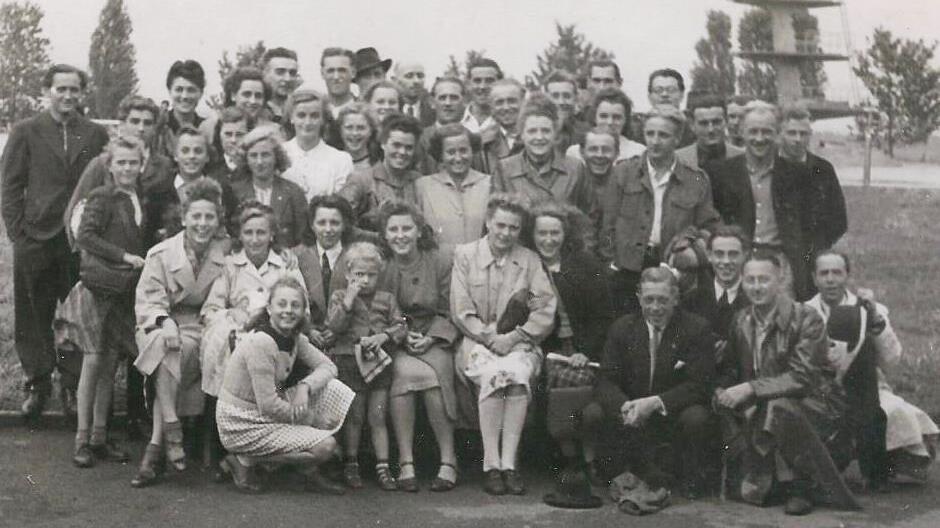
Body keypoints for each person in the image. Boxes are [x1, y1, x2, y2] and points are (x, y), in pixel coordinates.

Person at [1, 64, 110, 420]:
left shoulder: (93, 133)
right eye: (61, 89)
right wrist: (19, 234)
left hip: (77, 241)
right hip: (35, 238)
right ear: (48, 90)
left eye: (74, 90)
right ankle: (37, 383)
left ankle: (70, 382)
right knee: (33, 314)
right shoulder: (26, 131)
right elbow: (10, 186)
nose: (67, 96)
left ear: (82, 93)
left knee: (76, 314)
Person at [715, 253, 859, 516]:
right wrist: (722, 390)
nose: (757, 287)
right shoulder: (741, 320)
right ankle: (766, 475)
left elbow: (802, 377)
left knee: (778, 406)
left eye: (764, 279)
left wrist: (751, 388)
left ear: (779, 280)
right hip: (765, 402)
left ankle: (800, 485)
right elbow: (731, 368)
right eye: (750, 280)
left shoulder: (807, 318)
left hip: (816, 403)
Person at [451, 193, 557, 496]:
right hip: (477, 342)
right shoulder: (466, 255)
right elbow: (461, 309)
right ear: (487, 222)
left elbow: (543, 306)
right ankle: (491, 464)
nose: (505, 233)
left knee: (517, 376)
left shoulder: (529, 260)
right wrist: (489, 337)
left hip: (519, 342)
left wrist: (515, 337)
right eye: (500, 225)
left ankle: (509, 465)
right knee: (492, 376)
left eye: (513, 227)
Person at [806, 250, 938, 486]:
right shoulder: (804, 311)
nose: (830, 279)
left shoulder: (869, 309)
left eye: (837, 272)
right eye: (824, 273)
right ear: (814, 278)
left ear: (847, 276)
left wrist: (875, 319)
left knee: (890, 413)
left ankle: (879, 467)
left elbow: (892, 359)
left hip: (866, 389)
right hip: (822, 389)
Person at [131, 178, 231, 488]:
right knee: (166, 345)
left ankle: (158, 443)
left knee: (176, 351)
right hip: (159, 324)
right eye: (196, 216)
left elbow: (218, 302)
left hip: (201, 326)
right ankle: (171, 428)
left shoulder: (224, 255)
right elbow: (148, 300)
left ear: (218, 221)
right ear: (184, 217)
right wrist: (166, 321)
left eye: (209, 217)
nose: (202, 224)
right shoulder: (161, 253)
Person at [55, 136, 148, 468]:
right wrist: (124, 255)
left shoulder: (138, 197)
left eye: (132, 162)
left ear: (142, 165)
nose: (127, 168)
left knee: (109, 364)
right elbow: (85, 236)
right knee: (93, 362)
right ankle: (82, 438)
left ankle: (99, 436)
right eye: (120, 162)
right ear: (109, 166)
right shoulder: (102, 197)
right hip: (99, 288)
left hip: (122, 291)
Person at [199, 201, 306, 481]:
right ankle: (227, 447)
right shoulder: (231, 267)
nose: (255, 239)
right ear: (241, 235)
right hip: (238, 337)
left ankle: (267, 452)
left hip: (277, 336)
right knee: (226, 344)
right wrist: (232, 313)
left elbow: (302, 306)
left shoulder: (285, 265)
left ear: (272, 235)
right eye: (249, 233)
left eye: (262, 232)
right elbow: (210, 310)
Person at [216, 276, 353, 495]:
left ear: (302, 311)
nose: (288, 311)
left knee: (333, 387)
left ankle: (302, 466)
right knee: (326, 447)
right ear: (269, 308)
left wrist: (304, 387)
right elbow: (269, 405)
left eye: (295, 305)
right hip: (242, 420)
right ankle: (243, 459)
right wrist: (312, 420)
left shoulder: (295, 338)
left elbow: (328, 367)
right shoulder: (261, 342)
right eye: (281, 304)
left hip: (264, 411)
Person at [592, 266, 715, 497]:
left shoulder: (696, 328)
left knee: (697, 417)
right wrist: (625, 406)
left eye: (662, 300)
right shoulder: (622, 328)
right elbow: (606, 379)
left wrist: (655, 403)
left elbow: (700, 385)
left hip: (670, 412)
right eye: (649, 300)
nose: (655, 308)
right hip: (631, 411)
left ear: (676, 298)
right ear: (638, 298)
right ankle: (611, 473)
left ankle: (690, 478)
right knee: (594, 412)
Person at [600, 105, 720, 315]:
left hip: (673, 267)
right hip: (628, 268)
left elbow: (708, 227)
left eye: (663, 135)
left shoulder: (696, 179)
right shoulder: (623, 172)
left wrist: (688, 254)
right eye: (650, 133)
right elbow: (608, 225)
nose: (655, 141)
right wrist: (612, 263)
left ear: (677, 138)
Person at [527, 202, 613, 485]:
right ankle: (568, 455)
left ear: (565, 234)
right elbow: (526, 306)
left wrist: (583, 352)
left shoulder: (585, 265)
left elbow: (601, 315)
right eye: (542, 233)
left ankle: (586, 458)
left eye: (555, 233)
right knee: (553, 379)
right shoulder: (527, 265)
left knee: (579, 381)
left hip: (583, 346)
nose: (548, 240)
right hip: (545, 343)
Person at [378, 202, 461, 492]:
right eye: (393, 229)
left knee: (434, 377)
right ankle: (406, 461)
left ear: (418, 231)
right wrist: (401, 334)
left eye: (406, 228)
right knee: (404, 376)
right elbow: (379, 310)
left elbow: (451, 307)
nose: (400, 235)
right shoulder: (382, 264)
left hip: (435, 335)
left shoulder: (439, 260)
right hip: (397, 339)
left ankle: (449, 459)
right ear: (385, 234)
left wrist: (431, 337)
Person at [706, 103, 815, 300]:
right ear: (741, 132)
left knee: (782, 320)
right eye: (753, 131)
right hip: (736, 261)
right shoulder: (720, 173)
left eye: (767, 132)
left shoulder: (799, 175)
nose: (759, 138)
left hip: (780, 262)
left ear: (778, 134)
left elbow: (809, 228)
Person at [325, 241, 407, 491]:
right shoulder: (340, 296)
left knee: (377, 415)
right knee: (355, 416)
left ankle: (383, 466)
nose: (365, 280)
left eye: (371, 275)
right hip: (350, 361)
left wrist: (385, 336)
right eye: (359, 275)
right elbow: (334, 326)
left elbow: (402, 324)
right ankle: (351, 463)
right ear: (348, 274)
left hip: (378, 363)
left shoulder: (387, 298)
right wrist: (349, 299)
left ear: (379, 275)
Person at [493, 97, 596, 220]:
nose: (539, 137)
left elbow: (588, 217)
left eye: (546, 131)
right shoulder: (505, 168)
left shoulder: (575, 168)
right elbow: (496, 217)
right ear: (522, 135)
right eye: (532, 131)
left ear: (555, 134)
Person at [778, 104, 847, 260]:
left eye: (803, 134)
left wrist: (818, 247)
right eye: (792, 133)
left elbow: (839, 219)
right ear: (781, 133)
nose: (797, 139)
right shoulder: (772, 166)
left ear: (810, 135)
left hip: (811, 254)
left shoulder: (823, 169)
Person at [416, 124, 491, 256]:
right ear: (440, 155)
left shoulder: (489, 183)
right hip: (440, 268)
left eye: (463, 150)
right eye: (450, 152)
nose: (458, 158)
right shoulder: (423, 186)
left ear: (472, 150)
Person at [293, 194, 361, 340]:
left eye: (335, 223)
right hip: (306, 337)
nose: (328, 229)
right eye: (321, 223)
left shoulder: (357, 256)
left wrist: (337, 331)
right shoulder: (296, 256)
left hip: (347, 337)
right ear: (312, 225)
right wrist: (308, 331)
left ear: (344, 224)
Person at [231, 126, 309, 248]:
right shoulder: (234, 192)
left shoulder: (293, 192)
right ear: (246, 159)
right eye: (253, 155)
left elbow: (304, 239)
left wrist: (292, 254)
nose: (259, 162)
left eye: (265, 155)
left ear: (276, 157)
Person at [340, 114, 423, 230]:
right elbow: (341, 223)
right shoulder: (361, 180)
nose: (402, 152)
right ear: (383, 144)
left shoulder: (419, 181)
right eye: (396, 145)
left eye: (408, 147)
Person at [280, 88, 353, 202]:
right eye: (301, 115)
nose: (307, 122)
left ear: (323, 119)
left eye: (314, 116)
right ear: (291, 118)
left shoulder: (341, 160)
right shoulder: (279, 153)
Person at [682, 225, 751, 341]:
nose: (726, 261)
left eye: (733, 254)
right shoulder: (691, 301)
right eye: (719, 254)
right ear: (709, 255)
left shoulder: (753, 301)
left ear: (745, 255)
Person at [168, 126, 240, 238]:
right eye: (185, 151)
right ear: (175, 156)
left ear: (207, 157)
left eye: (198, 151)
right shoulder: (160, 190)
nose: (192, 156)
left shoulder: (222, 189)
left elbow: (233, 227)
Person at [565, 88, 645, 163]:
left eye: (617, 117)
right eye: (603, 116)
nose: (610, 122)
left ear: (625, 120)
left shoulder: (637, 152)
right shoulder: (575, 152)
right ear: (594, 117)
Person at [153, 60, 207, 161]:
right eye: (179, 89)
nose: (185, 96)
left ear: (201, 93)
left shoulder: (207, 129)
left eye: (191, 90)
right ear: (170, 91)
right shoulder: (158, 127)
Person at [416, 76, 469, 175]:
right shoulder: (420, 140)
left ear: (464, 101)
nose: (448, 103)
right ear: (432, 102)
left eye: (454, 98)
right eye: (442, 98)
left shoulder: (472, 139)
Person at [676, 92, 744, 169]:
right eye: (703, 123)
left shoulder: (742, 157)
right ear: (692, 125)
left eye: (716, 122)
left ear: (726, 121)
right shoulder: (678, 161)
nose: (710, 130)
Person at [479, 79, 526, 173]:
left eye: (512, 101)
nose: (506, 107)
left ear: (523, 102)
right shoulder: (483, 144)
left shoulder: (537, 136)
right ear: (491, 107)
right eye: (499, 102)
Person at [646, 68, 696, 148]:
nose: (664, 94)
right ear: (649, 97)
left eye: (671, 90)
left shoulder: (694, 127)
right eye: (658, 90)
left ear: (682, 95)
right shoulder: (637, 129)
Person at [336, 103, 381, 170]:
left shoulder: (378, 166)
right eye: (349, 127)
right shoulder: (331, 162)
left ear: (371, 131)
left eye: (361, 128)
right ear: (340, 130)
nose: (355, 133)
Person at [261, 47, 301, 123]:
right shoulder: (256, 111)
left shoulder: (301, 112)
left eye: (292, 73)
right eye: (280, 72)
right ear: (265, 74)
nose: (288, 79)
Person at [462, 58, 502, 134]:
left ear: (500, 84)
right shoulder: (458, 120)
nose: (482, 86)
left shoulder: (507, 122)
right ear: (468, 84)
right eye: (477, 81)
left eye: (489, 81)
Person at [394, 61, 436, 127]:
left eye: (420, 76)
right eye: (409, 76)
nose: (416, 81)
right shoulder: (391, 110)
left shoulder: (434, 112)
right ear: (397, 81)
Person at [320, 47, 358, 118]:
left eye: (342, 70)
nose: (336, 77)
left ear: (353, 73)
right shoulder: (316, 111)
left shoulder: (364, 110)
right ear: (322, 73)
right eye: (330, 71)